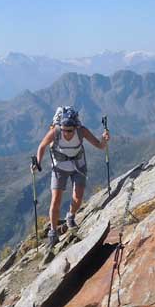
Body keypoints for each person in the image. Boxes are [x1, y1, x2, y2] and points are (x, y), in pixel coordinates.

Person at [32, 106, 110, 249]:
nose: (66, 133)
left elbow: (99, 145)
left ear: (75, 127)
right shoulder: (55, 132)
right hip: (59, 167)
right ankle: (53, 233)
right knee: (55, 200)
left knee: (78, 197)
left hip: (78, 166)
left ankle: (70, 216)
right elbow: (42, 146)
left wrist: (104, 140)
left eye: (69, 130)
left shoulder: (81, 131)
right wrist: (38, 163)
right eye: (64, 130)